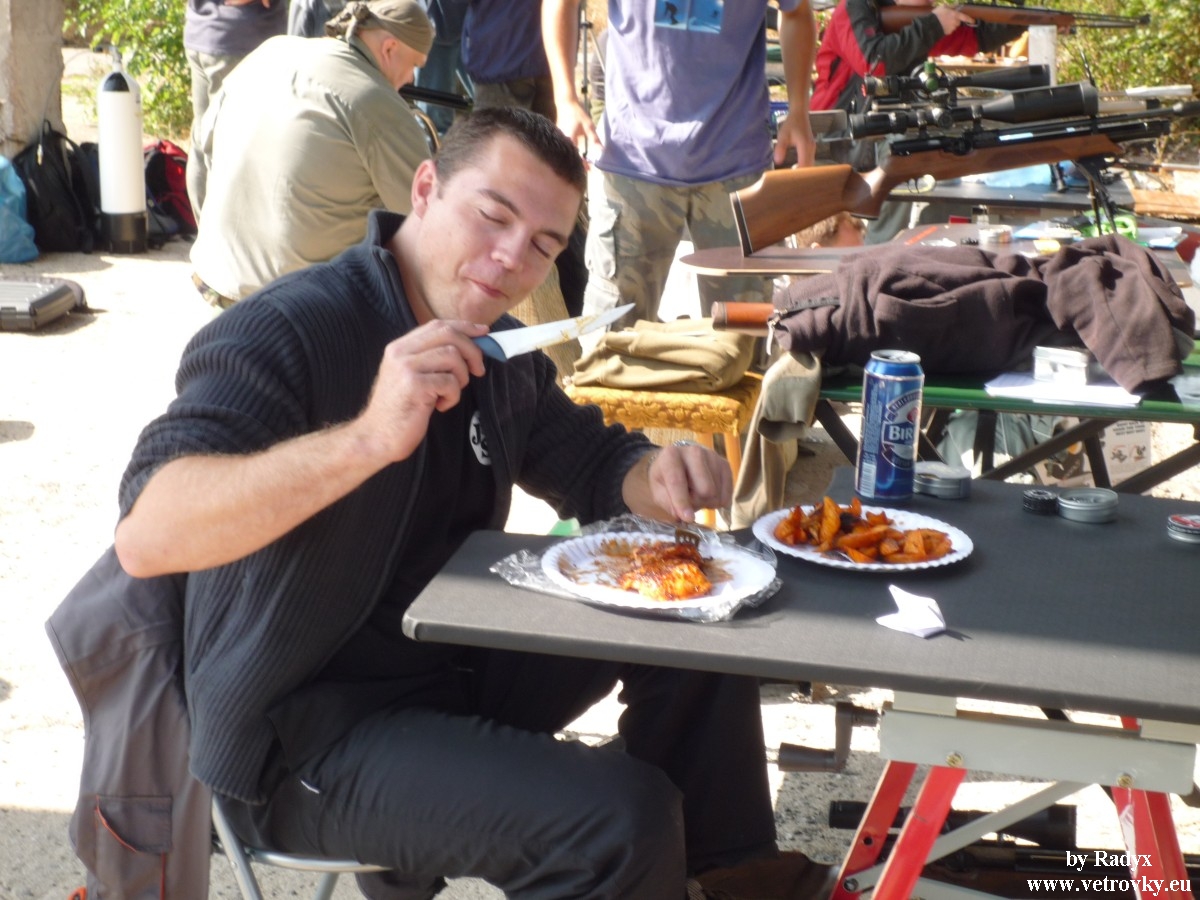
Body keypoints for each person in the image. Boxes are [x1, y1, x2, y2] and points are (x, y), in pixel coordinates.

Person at [113, 107, 828, 900]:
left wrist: (658, 472)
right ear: (425, 189)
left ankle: (728, 876)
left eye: (544, 244)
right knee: (621, 820)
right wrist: (366, 439)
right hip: (300, 736)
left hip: (448, 666)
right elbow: (148, 534)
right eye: (493, 216)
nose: (512, 257)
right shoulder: (290, 327)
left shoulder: (497, 349)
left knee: (695, 606)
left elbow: (594, 462)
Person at [544, 0, 818, 324]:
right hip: (631, 163)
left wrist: (799, 110)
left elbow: (797, 12)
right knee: (611, 335)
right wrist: (565, 98)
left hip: (736, 166)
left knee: (744, 335)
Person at [188, 0, 434, 307]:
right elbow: (427, 218)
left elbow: (202, 156)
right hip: (297, 311)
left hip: (213, 284)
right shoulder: (377, 101)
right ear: (389, 48)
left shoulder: (271, 51)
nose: (411, 79)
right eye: (414, 65)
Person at [810, 0, 1026, 242]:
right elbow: (874, 62)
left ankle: (907, 249)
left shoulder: (910, 19)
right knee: (902, 153)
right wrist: (933, 24)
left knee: (928, 149)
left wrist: (1023, 18)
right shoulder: (854, 7)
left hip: (881, 132)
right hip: (836, 135)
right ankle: (878, 254)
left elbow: (978, 38)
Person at [183, 0, 287, 219]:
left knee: (204, 137)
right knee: (235, 144)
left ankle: (206, 231)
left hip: (203, 31)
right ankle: (220, 231)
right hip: (238, 39)